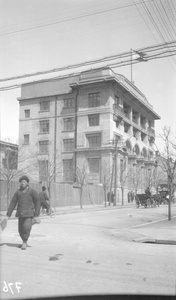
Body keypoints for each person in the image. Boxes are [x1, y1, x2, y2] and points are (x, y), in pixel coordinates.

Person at [6, 176, 41, 250]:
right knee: (20, 230)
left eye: (24, 181)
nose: (23, 183)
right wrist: (8, 215)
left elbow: (38, 201)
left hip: (29, 213)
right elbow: (13, 203)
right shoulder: (18, 192)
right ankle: (23, 241)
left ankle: (24, 242)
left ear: (27, 183)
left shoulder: (32, 191)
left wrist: (37, 214)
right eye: (21, 182)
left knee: (26, 227)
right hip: (20, 213)